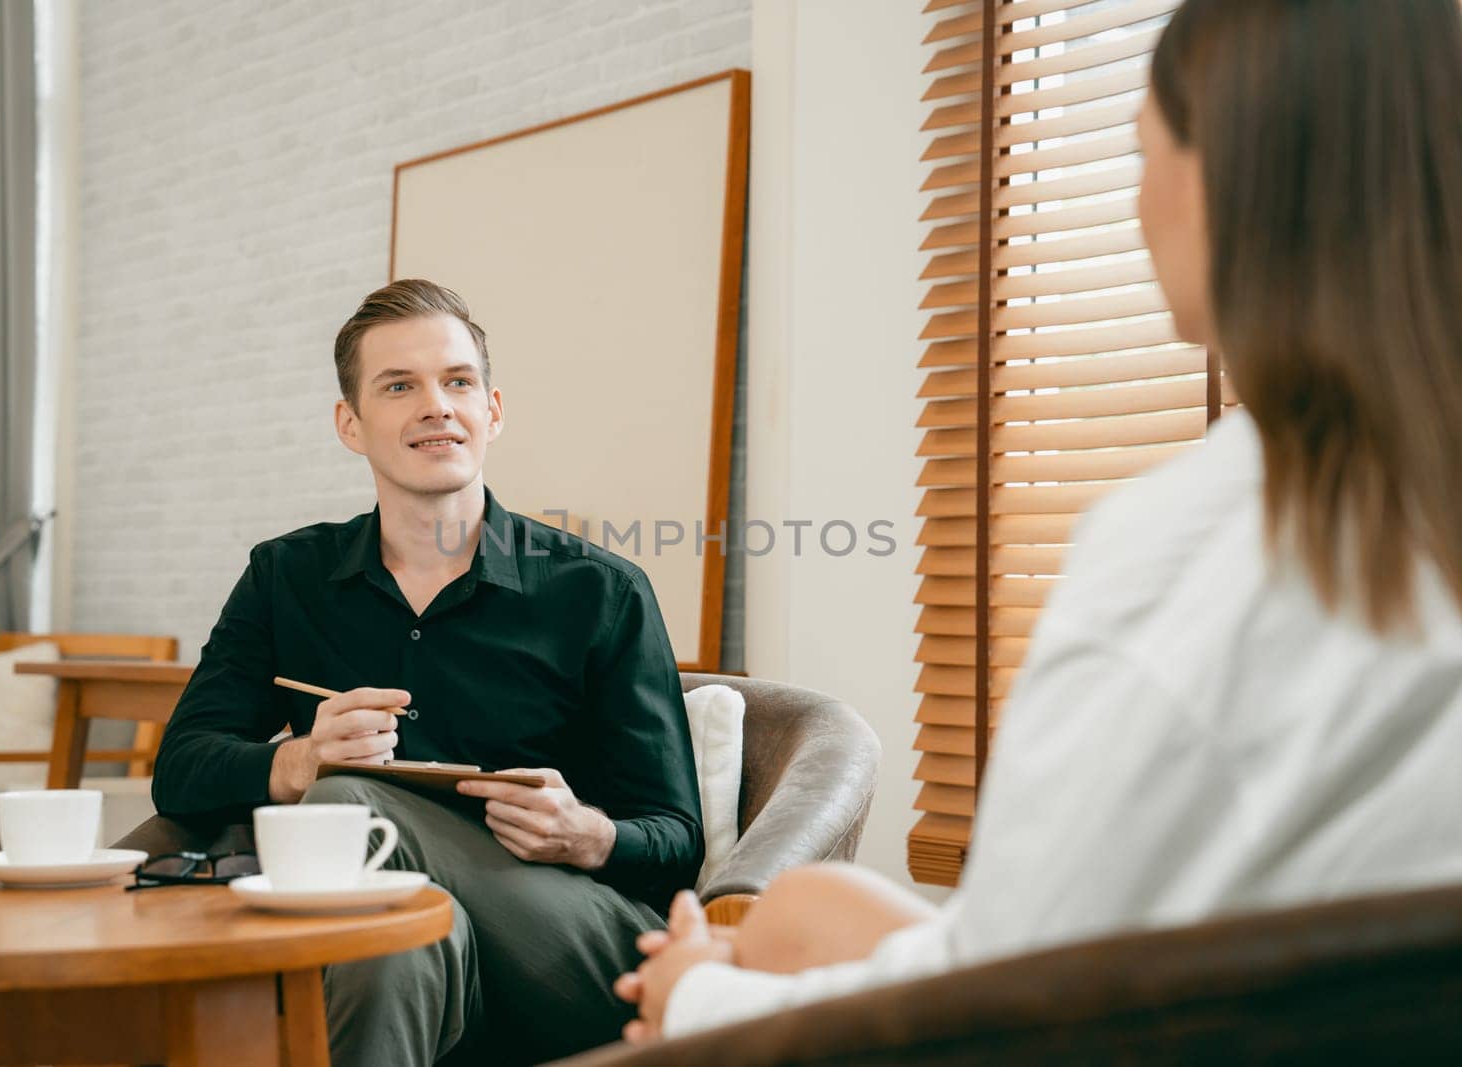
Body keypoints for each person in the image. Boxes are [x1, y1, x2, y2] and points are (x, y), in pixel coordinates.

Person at [617, 0, 1462, 1042]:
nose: (1137, 203)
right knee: (800, 907)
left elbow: (1012, 1000)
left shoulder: (1195, 555)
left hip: (1138, 1025)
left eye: (1145, 153)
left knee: (734, 953)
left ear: (1233, 186)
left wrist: (698, 996)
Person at [150, 279, 704, 1065]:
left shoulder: (598, 592)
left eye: (458, 382)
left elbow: (678, 837)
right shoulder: (286, 578)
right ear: (351, 423)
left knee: (345, 803)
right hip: (403, 947)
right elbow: (180, 769)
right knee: (396, 936)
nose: (436, 404)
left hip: (573, 952)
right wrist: (298, 757)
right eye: (399, 385)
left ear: (493, 410)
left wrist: (589, 834)